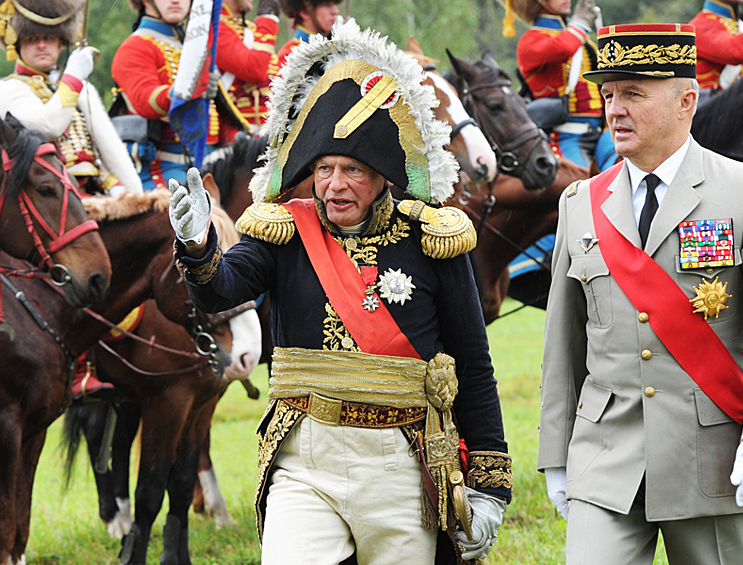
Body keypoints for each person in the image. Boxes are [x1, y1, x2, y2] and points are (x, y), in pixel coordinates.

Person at [169, 20, 511, 565]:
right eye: (324, 169)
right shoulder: (282, 231)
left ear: (382, 176)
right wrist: (198, 245)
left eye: (351, 169)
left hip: (404, 459)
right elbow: (220, 291)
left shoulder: (431, 237)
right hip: (305, 457)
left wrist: (490, 486)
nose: (333, 185)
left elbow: (471, 364)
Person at [538, 23, 743, 565]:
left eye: (634, 94)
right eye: (610, 94)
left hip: (711, 458)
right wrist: (556, 453)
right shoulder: (579, 203)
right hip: (607, 459)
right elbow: (563, 342)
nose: (614, 109)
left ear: (687, 100)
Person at [0, 0, 142, 196]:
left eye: (49, 37)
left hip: (93, 193)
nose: (41, 45)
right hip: (43, 202)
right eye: (31, 38)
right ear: (17, 42)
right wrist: (72, 77)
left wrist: (132, 194)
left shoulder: (82, 90)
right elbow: (47, 127)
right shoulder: (7, 90)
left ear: (61, 41)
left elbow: (110, 151)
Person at [111, 0, 216, 190]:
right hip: (161, 167)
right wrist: (184, 89)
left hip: (209, 160)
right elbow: (145, 100)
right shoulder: (135, 46)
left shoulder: (193, 44)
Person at [509, 0, 603, 168]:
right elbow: (564, 47)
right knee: (584, 187)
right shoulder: (530, 41)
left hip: (603, 133)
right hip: (565, 137)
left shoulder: (579, 37)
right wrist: (580, 23)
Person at [215, 0, 283, 142]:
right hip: (235, 140)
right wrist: (268, 20)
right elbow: (255, 71)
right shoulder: (213, 28)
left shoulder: (251, 29)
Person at [276, 0, 342, 67]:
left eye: (334, 4)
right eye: (326, 5)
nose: (336, 11)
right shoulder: (288, 55)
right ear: (305, 12)